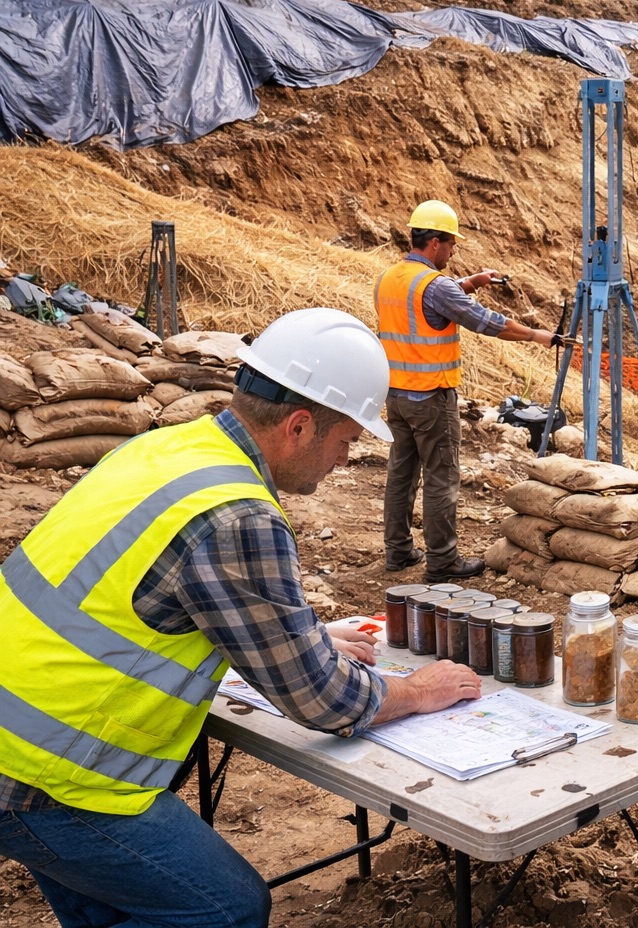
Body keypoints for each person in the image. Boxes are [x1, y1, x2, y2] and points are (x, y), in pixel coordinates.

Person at [0, 307, 484, 928]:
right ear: (301, 426)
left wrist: (302, 634)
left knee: (122, 906)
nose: (344, 459)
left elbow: (162, 596)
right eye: (347, 440)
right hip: (45, 775)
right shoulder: (240, 516)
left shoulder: (171, 449)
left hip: (21, 735)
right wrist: (419, 689)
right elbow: (324, 701)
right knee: (224, 909)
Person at [377, 200, 558, 582]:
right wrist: (538, 336)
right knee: (442, 477)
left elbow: (431, 303)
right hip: (431, 395)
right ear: (435, 243)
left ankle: (398, 552)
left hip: (396, 394)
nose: (454, 250)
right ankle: (442, 561)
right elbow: (485, 321)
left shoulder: (392, 277)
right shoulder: (435, 285)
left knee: (401, 472)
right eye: (451, 243)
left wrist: (472, 283)